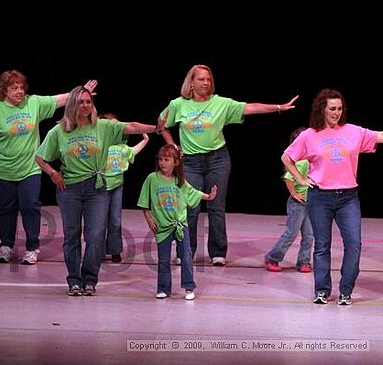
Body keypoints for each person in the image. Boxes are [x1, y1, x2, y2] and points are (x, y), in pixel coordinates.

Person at [158, 63, 298, 266]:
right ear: (191, 83)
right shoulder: (178, 104)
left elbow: (249, 107)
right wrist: (173, 146)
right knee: (190, 207)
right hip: (190, 162)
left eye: (208, 79)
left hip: (217, 160)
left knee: (216, 207)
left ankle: (218, 253)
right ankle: (186, 251)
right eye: (201, 79)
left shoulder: (220, 103)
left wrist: (278, 107)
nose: (205, 82)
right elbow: (161, 124)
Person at [0, 69, 97, 264]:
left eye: (21, 87)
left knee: (30, 206)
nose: (19, 91)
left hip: (30, 168)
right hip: (2, 170)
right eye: (14, 88)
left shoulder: (32, 103)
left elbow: (58, 100)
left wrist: (81, 92)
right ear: (4, 91)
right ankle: (6, 246)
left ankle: (32, 248)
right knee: (7, 208)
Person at [35, 86, 159, 296]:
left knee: (95, 236)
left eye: (88, 102)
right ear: (73, 104)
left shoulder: (103, 126)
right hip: (70, 189)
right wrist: (53, 173)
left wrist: (156, 128)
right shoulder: (59, 131)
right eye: (81, 102)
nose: (85, 105)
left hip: (97, 188)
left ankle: (90, 279)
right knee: (72, 236)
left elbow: (130, 126)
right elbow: (40, 157)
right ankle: (74, 280)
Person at [281, 88, 383, 305]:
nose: (337, 113)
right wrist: (300, 179)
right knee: (322, 245)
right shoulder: (309, 135)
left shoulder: (353, 131)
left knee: (354, 243)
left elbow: (380, 136)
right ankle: (322, 291)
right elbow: (287, 157)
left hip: (348, 197)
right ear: (322, 110)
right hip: (320, 197)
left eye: (340, 108)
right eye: (332, 109)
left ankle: (346, 291)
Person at [137, 144, 217, 300]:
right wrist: (149, 219)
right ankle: (163, 288)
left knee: (186, 256)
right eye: (160, 159)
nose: (162, 163)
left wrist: (209, 196)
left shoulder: (180, 181)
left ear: (176, 162)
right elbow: (144, 203)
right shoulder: (152, 179)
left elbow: (192, 192)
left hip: (180, 225)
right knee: (164, 259)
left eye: (166, 159)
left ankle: (188, 287)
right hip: (162, 226)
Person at [102, 112, 150, 263]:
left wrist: (145, 139)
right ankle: (97, 250)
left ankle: (115, 250)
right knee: (99, 221)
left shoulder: (121, 147)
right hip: (100, 186)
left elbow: (133, 151)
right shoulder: (99, 145)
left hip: (116, 186)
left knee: (115, 220)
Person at [265, 127, 313, 273]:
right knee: (291, 232)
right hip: (298, 204)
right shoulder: (301, 162)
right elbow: (288, 178)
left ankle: (304, 261)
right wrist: (294, 194)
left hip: (309, 203)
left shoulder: (310, 160)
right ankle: (272, 258)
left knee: (309, 235)